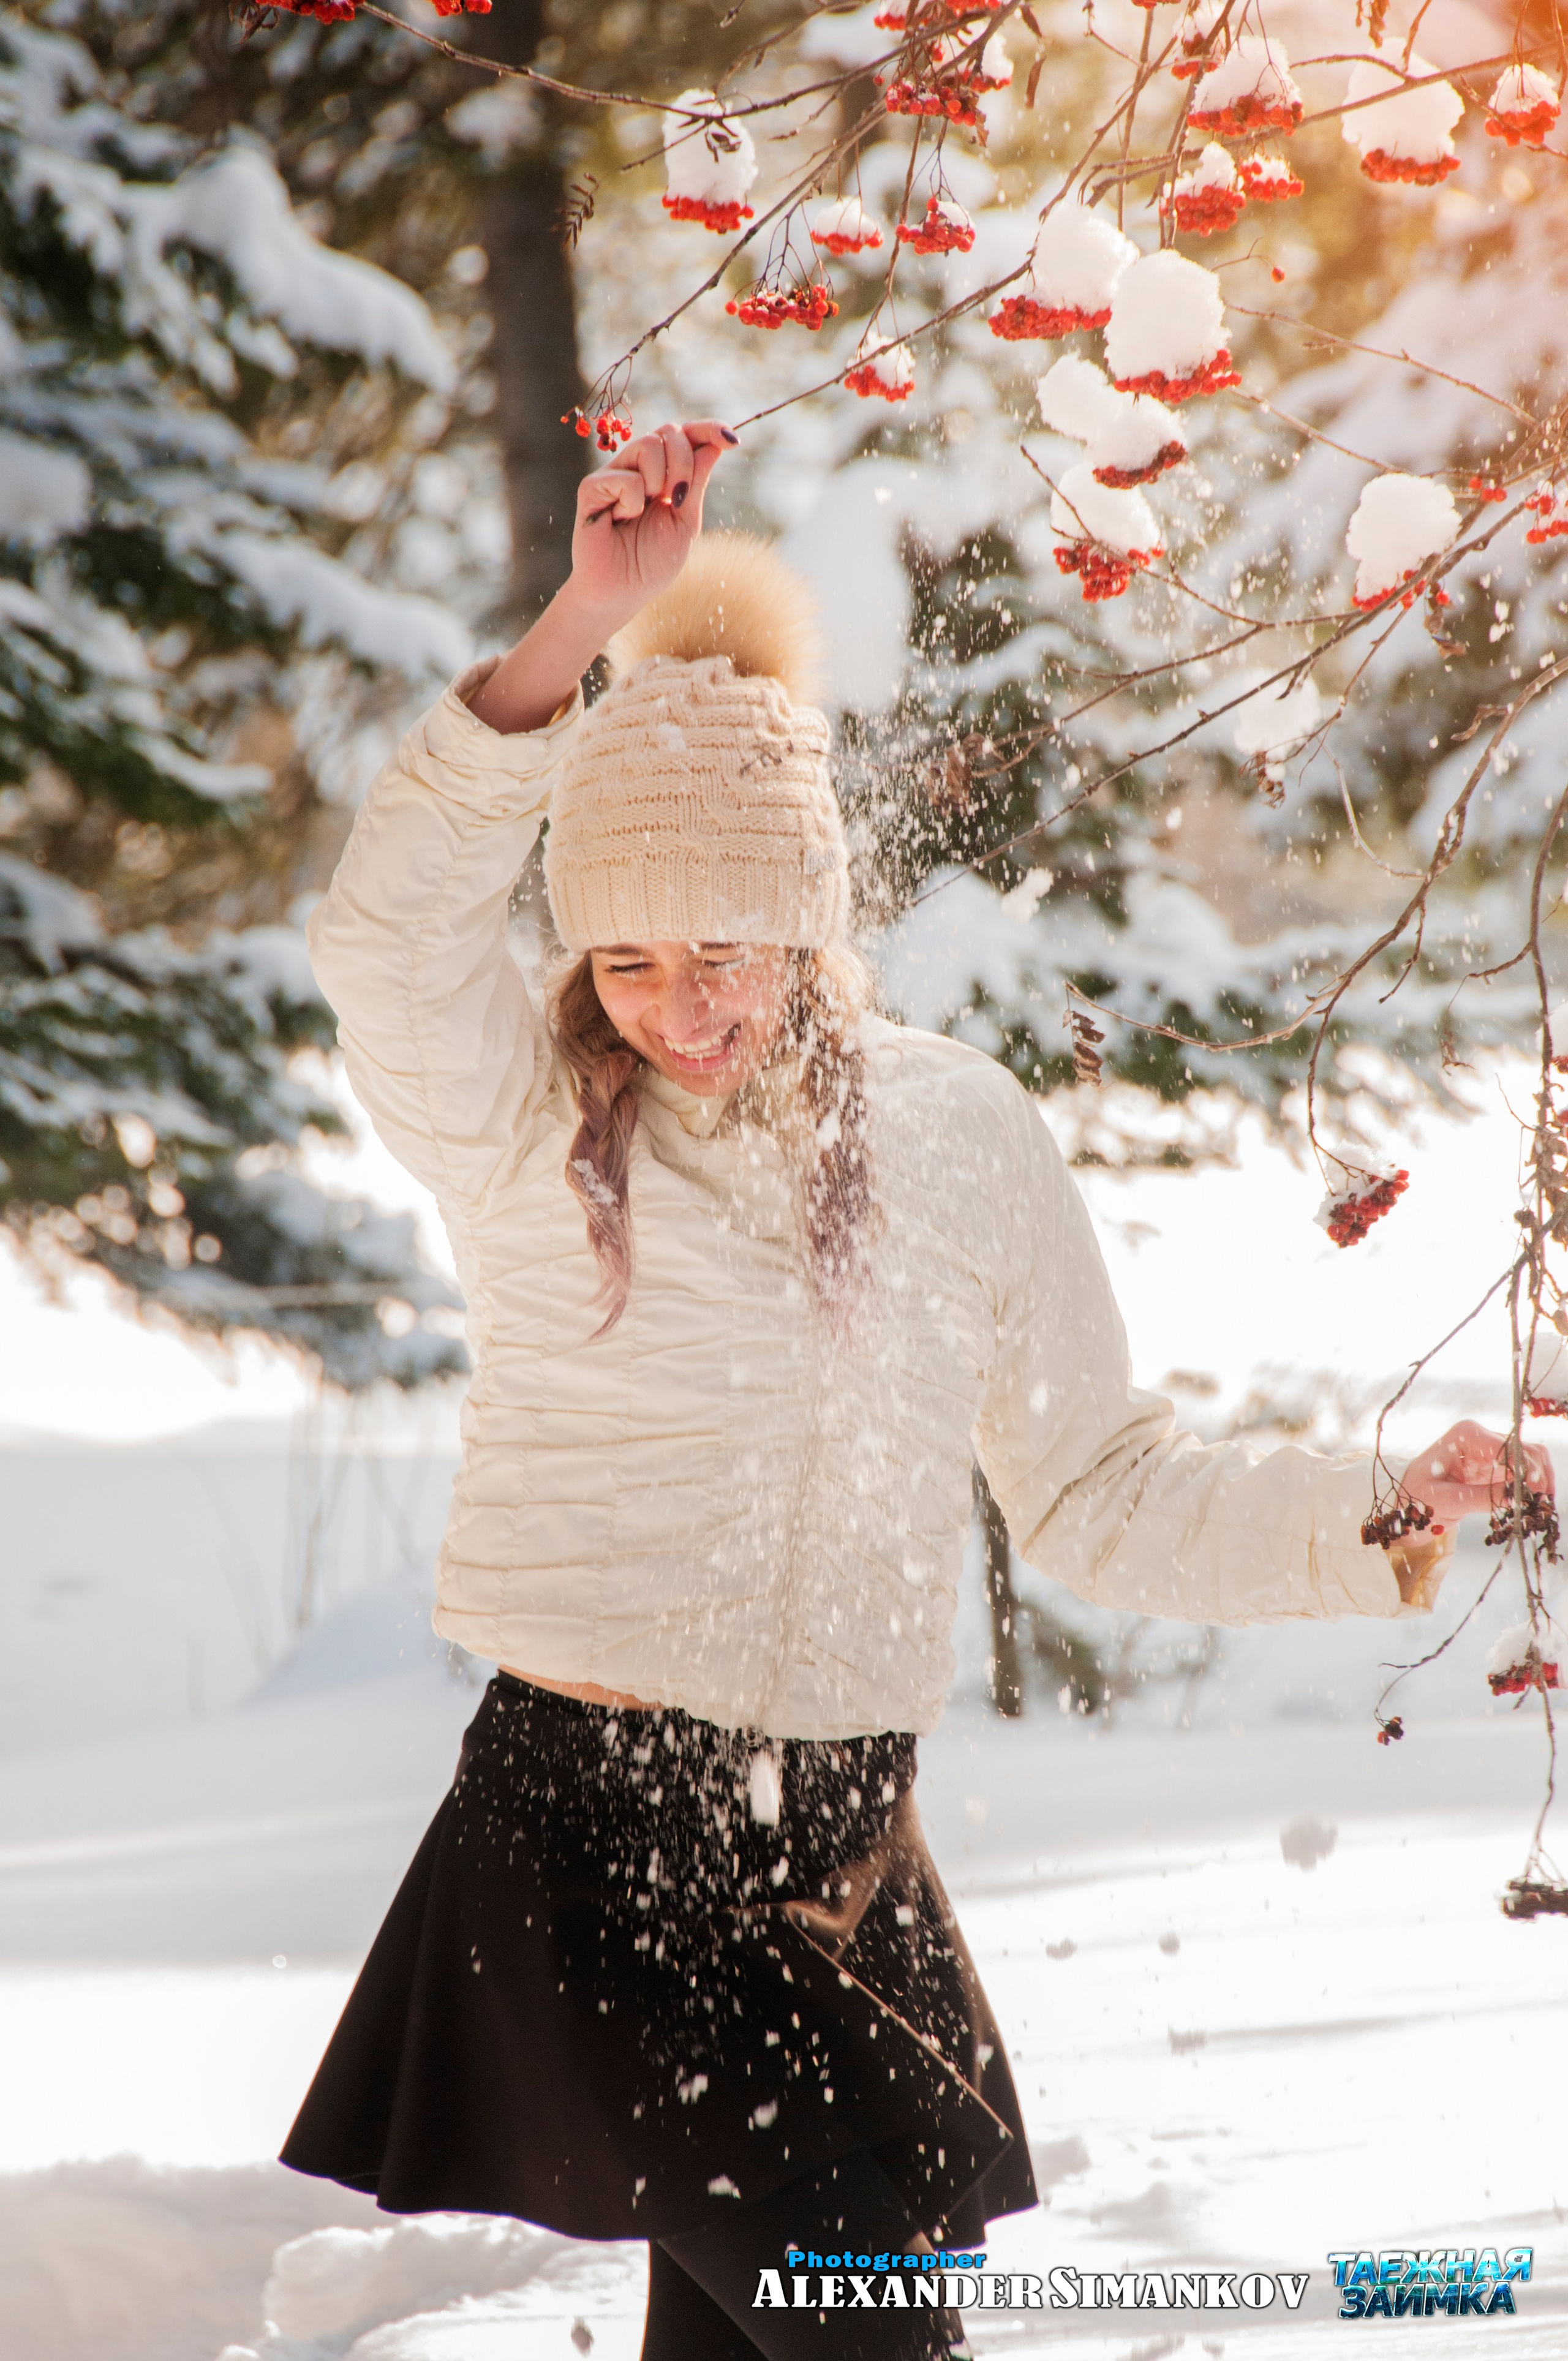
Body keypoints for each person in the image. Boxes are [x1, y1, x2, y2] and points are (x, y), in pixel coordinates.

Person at [281, 418, 1545, 2359]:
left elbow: (1101, 1489)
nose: (678, 1010)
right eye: (626, 959)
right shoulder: (519, 1127)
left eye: (725, 950)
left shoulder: (956, 1136)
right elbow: (385, 935)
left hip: (849, 1846)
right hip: (596, 1838)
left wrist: (1378, 1500)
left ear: (808, 916)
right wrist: (577, 628)